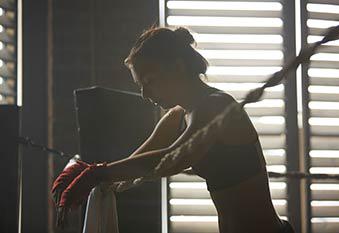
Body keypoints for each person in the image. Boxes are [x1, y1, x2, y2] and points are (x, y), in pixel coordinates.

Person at [53, 26, 295, 233]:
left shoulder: (216, 105)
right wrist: (84, 170)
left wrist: (97, 174)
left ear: (177, 67)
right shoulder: (176, 117)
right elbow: (134, 164)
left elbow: (172, 159)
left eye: (149, 81)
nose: (145, 95)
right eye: (140, 86)